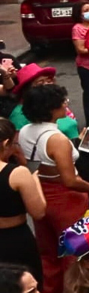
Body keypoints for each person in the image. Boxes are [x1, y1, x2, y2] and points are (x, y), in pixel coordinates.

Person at [18, 85, 89, 293]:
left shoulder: (24, 131)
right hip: (66, 199)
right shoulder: (56, 139)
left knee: (49, 253)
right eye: (62, 102)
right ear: (50, 109)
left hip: (40, 194)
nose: (66, 104)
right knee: (75, 254)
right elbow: (70, 180)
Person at [0, 119, 45, 284]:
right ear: (6, 143)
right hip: (15, 239)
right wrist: (35, 180)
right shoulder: (17, 173)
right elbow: (38, 211)